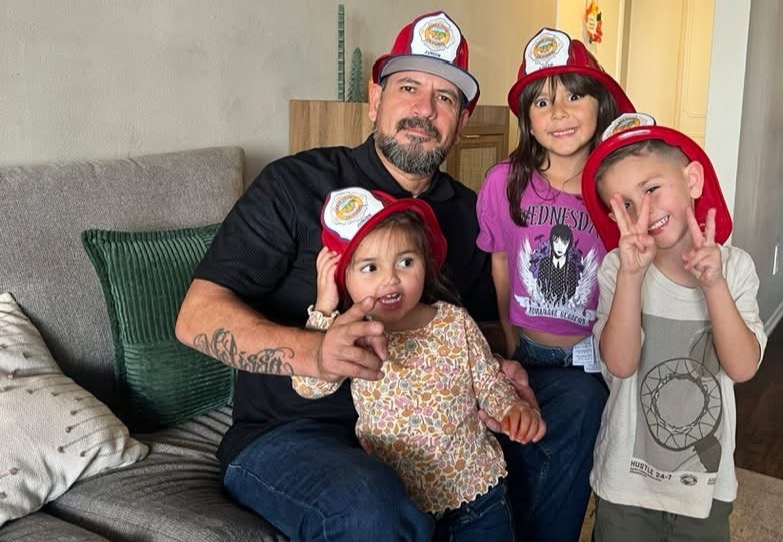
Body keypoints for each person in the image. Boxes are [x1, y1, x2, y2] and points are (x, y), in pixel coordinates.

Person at [175, 11, 535, 541]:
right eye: (408, 87)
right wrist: (316, 353)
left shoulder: (467, 213)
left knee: (570, 401)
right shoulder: (294, 184)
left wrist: (496, 367)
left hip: (428, 432)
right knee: (370, 503)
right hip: (291, 435)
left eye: (445, 97)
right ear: (375, 98)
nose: (423, 109)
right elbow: (196, 318)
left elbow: (484, 330)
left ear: (461, 123)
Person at [291, 187, 545, 540]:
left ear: (425, 263)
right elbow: (309, 385)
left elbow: (488, 381)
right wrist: (323, 309)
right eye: (370, 268)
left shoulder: (453, 321)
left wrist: (512, 409)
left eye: (406, 262)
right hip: (403, 508)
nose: (390, 279)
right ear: (343, 279)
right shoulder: (353, 336)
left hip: (478, 495)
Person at [474, 27, 634, 541]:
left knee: (579, 450)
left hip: (593, 354)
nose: (558, 112)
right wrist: (507, 332)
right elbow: (501, 261)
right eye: (542, 102)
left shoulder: (615, 190)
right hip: (527, 347)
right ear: (528, 118)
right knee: (518, 448)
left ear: (599, 103)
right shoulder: (504, 182)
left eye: (573, 96)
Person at [579, 113, 767, 541]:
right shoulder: (617, 269)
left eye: (651, 190)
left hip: (705, 488)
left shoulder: (735, 268)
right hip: (625, 486)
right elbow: (620, 364)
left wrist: (713, 286)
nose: (642, 212)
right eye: (626, 205)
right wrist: (631, 277)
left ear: (692, 180)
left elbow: (742, 367)